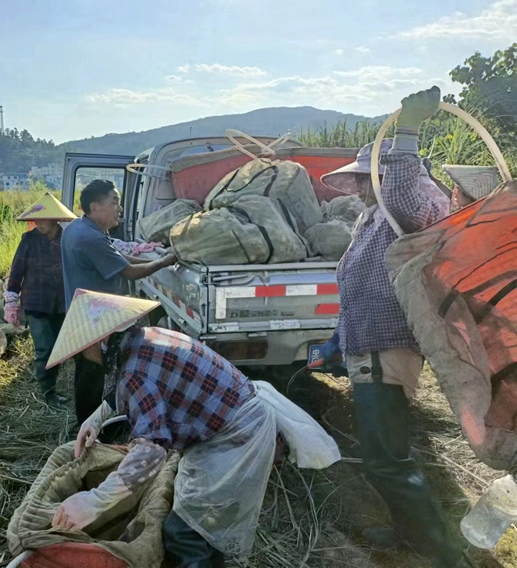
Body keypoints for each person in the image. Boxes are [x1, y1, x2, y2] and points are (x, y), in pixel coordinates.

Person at [44, 289, 340, 568]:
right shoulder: (145, 338)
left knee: (183, 530)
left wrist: (93, 502)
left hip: (237, 437)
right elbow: (147, 388)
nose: (85, 358)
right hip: (232, 422)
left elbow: (150, 453)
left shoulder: (135, 370)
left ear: (101, 341)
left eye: (85, 351)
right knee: (203, 524)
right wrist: (96, 418)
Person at [318, 87, 473, 568]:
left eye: (368, 179)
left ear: (384, 177)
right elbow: (358, 288)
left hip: (389, 349)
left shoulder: (407, 209)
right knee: (386, 450)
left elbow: (405, 188)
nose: (361, 188)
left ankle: (445, 555)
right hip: (367, 345)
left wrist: (406, 131)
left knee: (387, 459)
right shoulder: (371, 219)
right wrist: (334, 343)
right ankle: (409, 532)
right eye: (360, 181)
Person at [61, 179, 176, 424]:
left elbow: (119, 259)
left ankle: (92, 423)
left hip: (81, 311)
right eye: (114, 202)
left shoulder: (77, 228)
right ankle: (90, 428)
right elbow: (129, 273)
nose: (120, 209)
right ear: (95, 207)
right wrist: (164, 262)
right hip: (94, 317)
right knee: (92, 373)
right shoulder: (90, 238)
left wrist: (149, 259)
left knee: (88, 370)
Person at [4, 191, 77, 408]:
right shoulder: (29, 240)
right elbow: (16, 273)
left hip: (61, 303)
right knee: (44, 348)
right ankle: (48, 394)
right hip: (36, 303)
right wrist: (11, 303)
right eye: (36, 219)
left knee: (58, 349)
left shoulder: (67, 240)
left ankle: (52, 387)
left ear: (55, 218)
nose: (38, 223)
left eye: (43, 218)